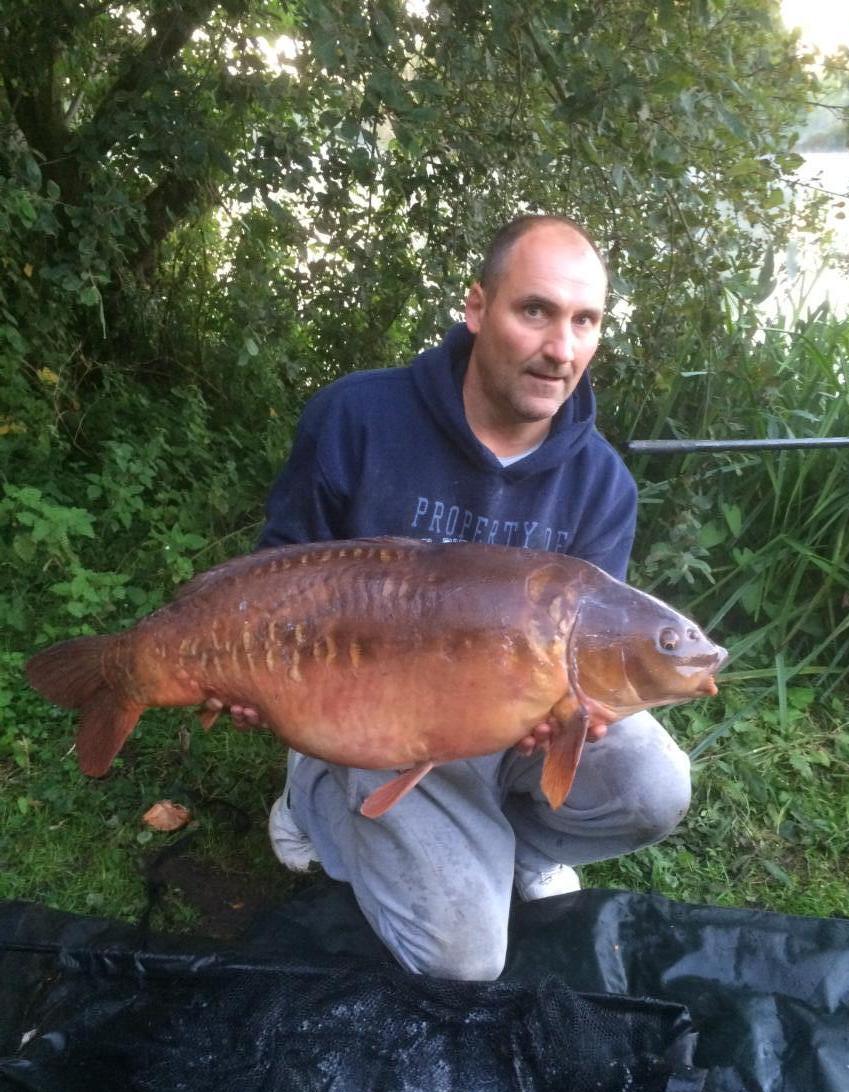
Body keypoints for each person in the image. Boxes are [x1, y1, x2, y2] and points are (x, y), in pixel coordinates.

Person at [228, 214, 691, 981]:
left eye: (585, 321)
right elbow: (276, 579)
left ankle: (511, 847)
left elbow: (593, 657)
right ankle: (314, 797)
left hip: (506, 718)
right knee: (464, 964)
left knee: (655, 785)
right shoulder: (358, 418)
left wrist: (575, 710)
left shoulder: (602, 485)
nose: (561, 349)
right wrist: (258, 678)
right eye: (535, 310)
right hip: (371, 713)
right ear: (477, 307)